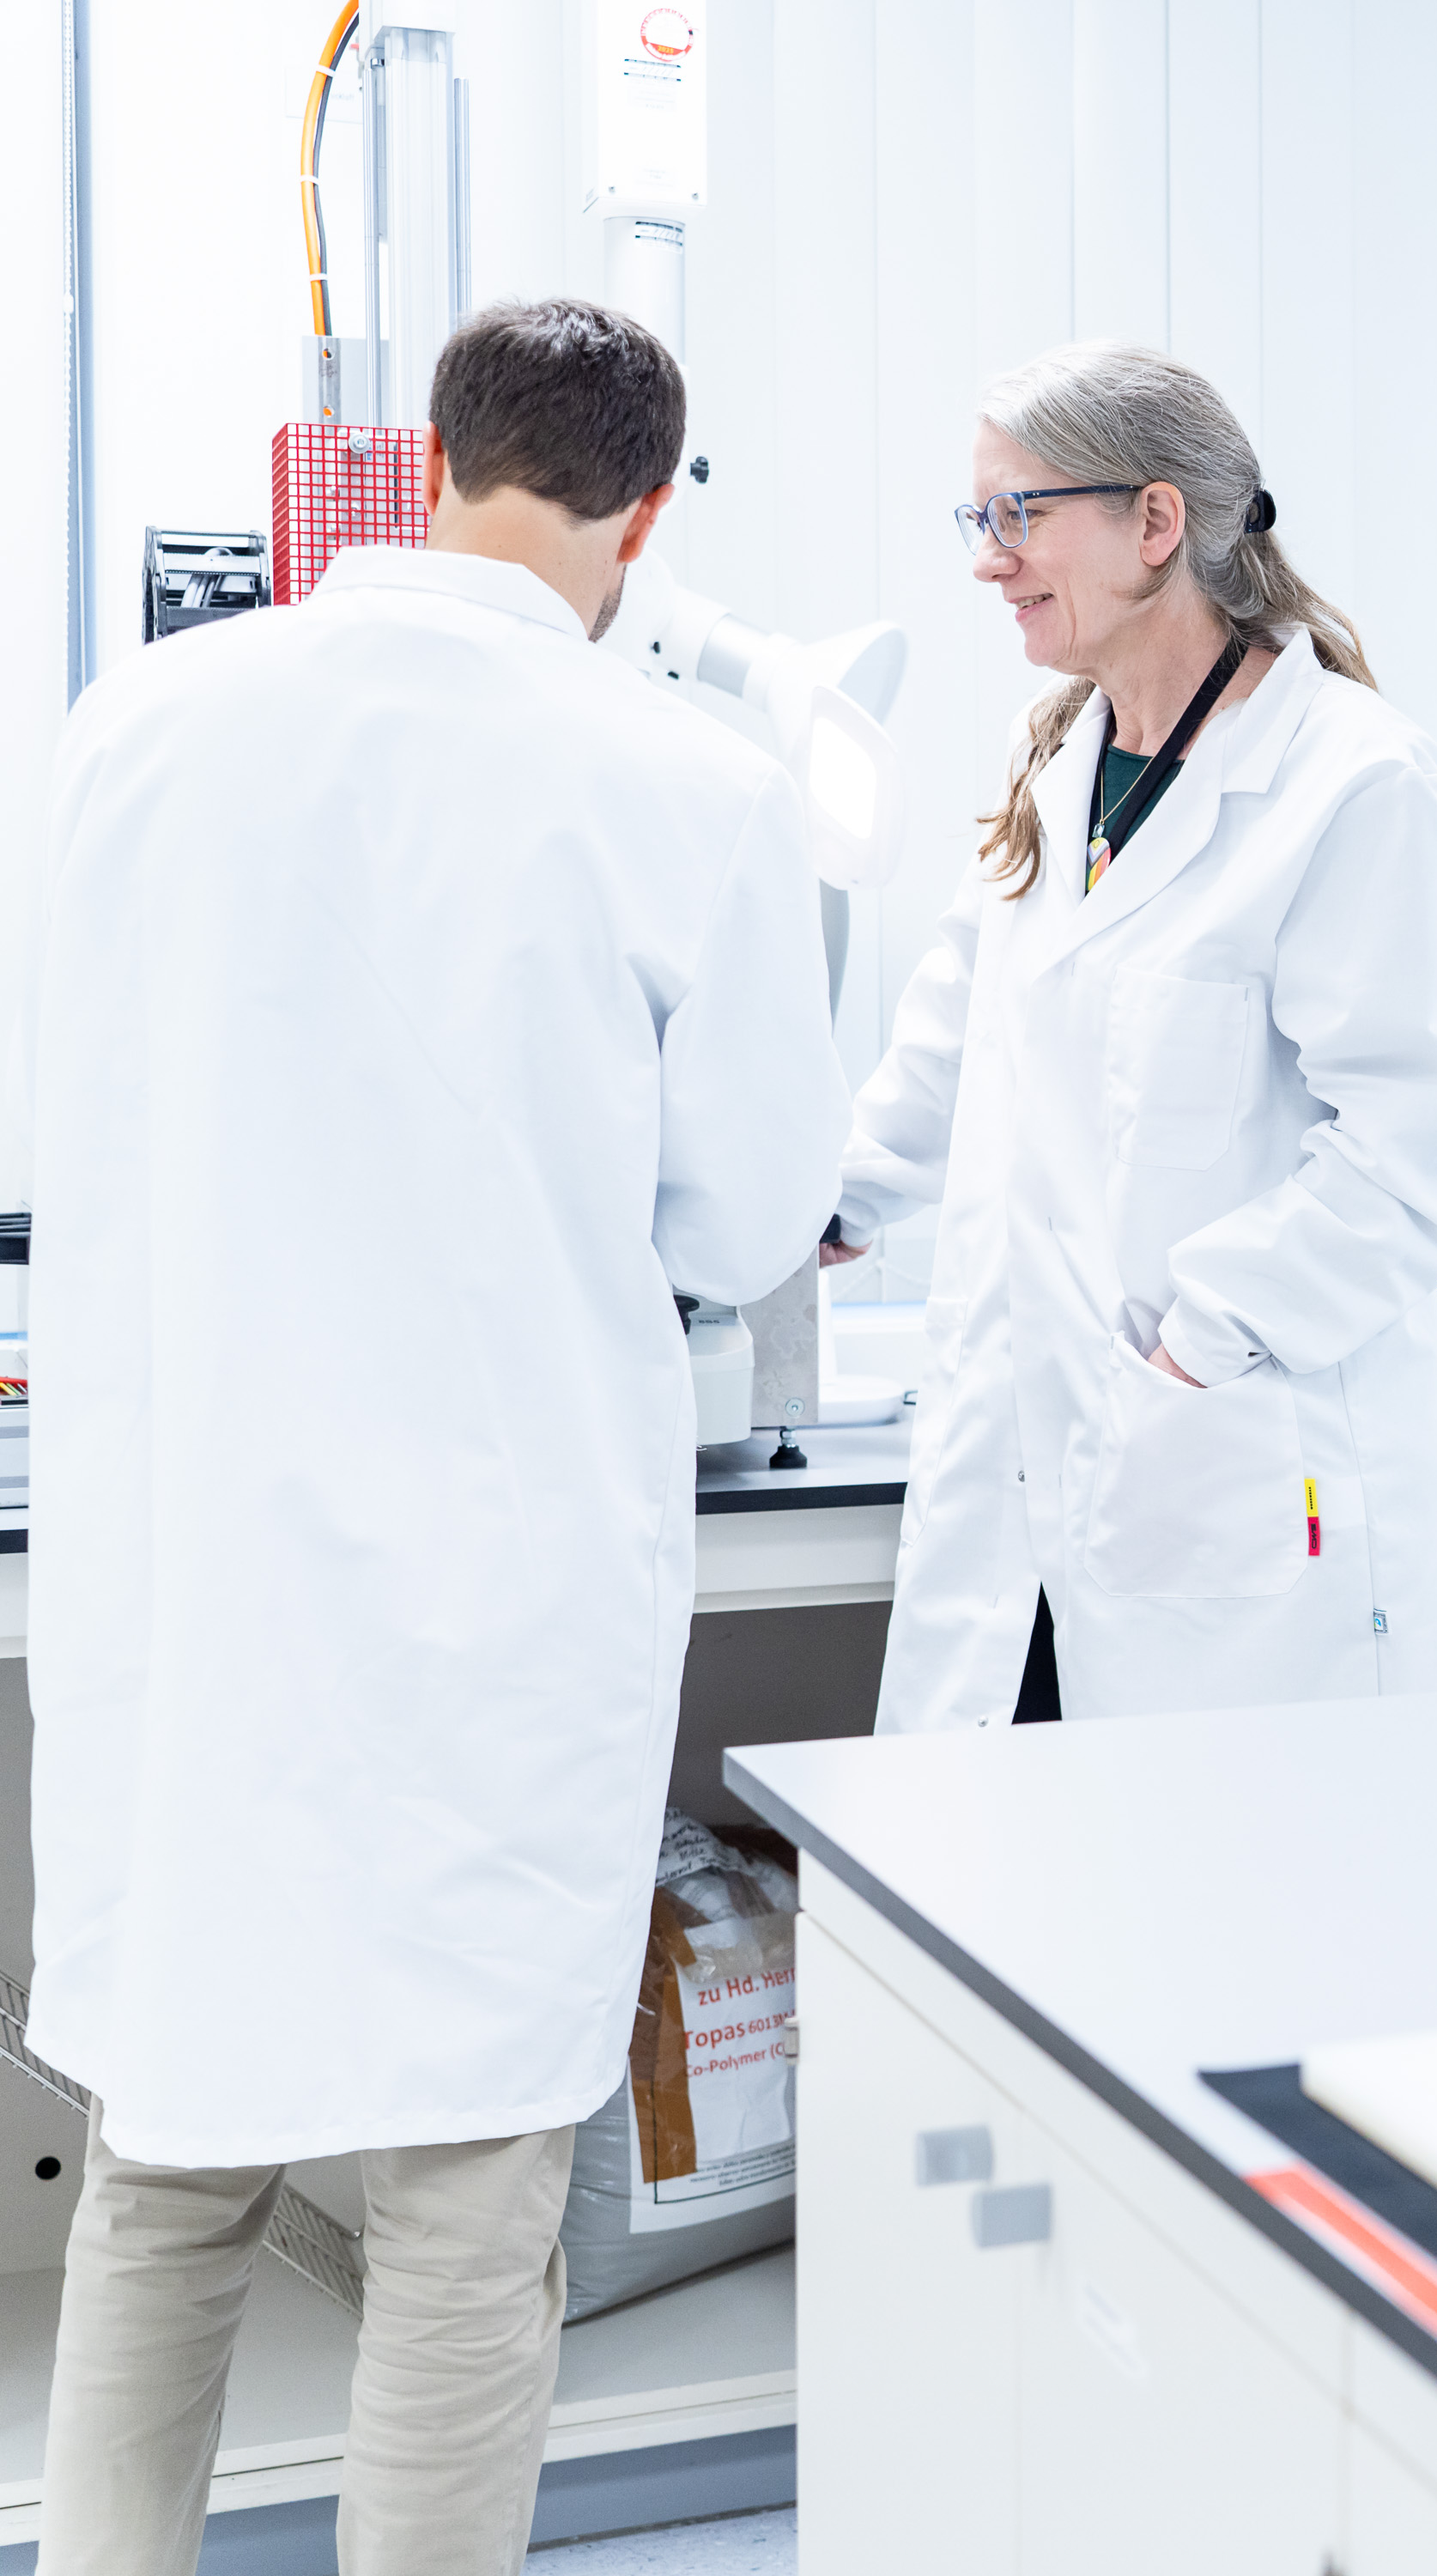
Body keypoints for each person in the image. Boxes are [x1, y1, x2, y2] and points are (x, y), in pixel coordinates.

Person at [27, 299, 847, 2570]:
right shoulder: (689, 784)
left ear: (431, 455)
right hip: (494, 1610)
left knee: (166, 2182)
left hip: (196, 1587)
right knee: (469, 2225)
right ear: (646, 515)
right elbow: (750, 1215)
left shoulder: (141, 723)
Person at [825, 343, 1437, 1728]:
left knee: (1210, 1858)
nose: (988, 559)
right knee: (992, 1847)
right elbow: (955, 1049)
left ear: (1154, 522)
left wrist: (1199, 1346)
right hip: (1018, 1484)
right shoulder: (1055, 762)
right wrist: (818, 1205)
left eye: (1018, 515)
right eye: (979, 518)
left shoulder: (1346, 779)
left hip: (1213, 1464)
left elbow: (1420, 1141)